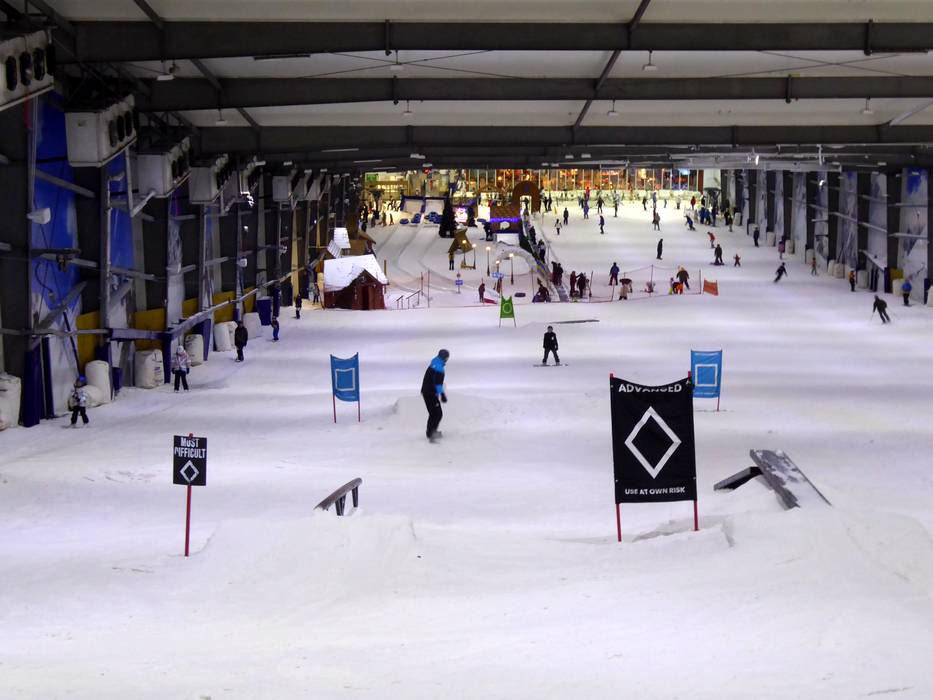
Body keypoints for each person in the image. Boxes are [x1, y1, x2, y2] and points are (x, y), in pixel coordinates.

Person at [421, 349, 449, 442]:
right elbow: (438, 383)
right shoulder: (439, 367)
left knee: (434, 414)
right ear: (445, 358)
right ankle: (432, 434)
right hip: (430, 393)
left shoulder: (434, 363)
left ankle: (430, 432)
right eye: (447, 358)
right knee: (437, 414)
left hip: (427, 392)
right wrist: (442, 394)